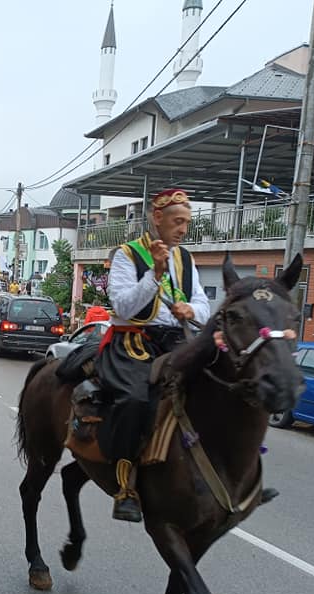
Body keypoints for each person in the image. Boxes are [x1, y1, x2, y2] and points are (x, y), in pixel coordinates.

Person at [101, 188, 211, 522]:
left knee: (218, 387)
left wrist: (190, 310)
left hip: (177, 340)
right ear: (158, 218)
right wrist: (155, 276)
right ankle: (125, 485)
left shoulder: (186, 258)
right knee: (134, 399)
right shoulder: (127, 254)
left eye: (187, 222)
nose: (183, 229)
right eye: (178, 222)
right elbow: (122, 306)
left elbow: (203, 304)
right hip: (134, 340)